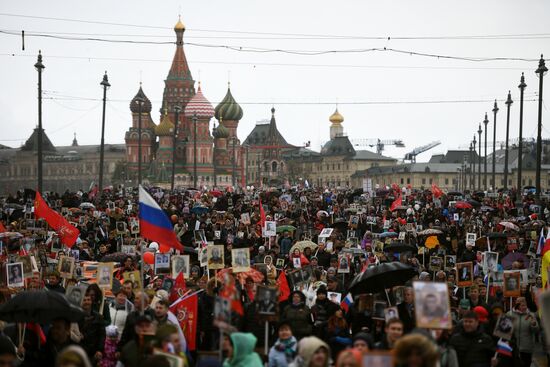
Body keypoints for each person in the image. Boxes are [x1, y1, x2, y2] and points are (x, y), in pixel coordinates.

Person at [507, 297, 539, 367]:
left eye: (525, 305)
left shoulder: (531, 315)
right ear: (517, 305)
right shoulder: (509, 314)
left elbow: (536, 331)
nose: (524, 307)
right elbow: (504, 331)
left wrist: (534, 325)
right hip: (513, 348)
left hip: (527, 348)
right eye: (521, 305)